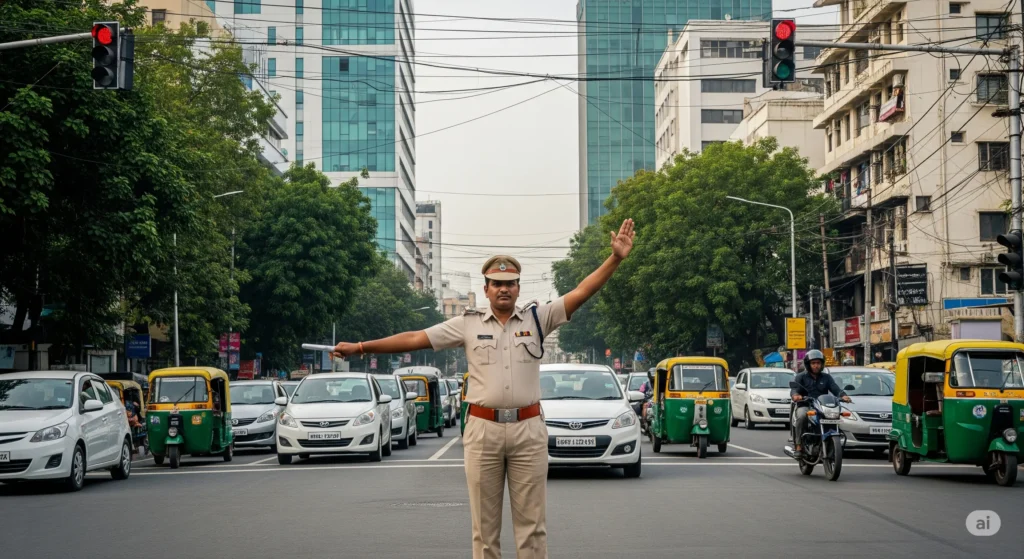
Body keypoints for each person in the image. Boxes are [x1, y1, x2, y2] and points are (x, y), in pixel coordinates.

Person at [331, 219, 635, 559]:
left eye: (510, 283)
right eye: (497, 284)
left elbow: (581, 292)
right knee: (485, 532)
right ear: (486, 288)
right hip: (482, 430)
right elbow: (416, 338)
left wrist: (615, 258)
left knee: (533, 529)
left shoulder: (539, 318)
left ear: (518, 288)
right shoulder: (467, 323)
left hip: (528, 430)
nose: (504, 289)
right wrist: (361, 347)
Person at [791, 349, 850, 458]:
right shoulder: (801, 377)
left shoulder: (826, 377)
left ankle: (830, 440)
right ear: (808, 364)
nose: (816, 366)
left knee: (834, 416)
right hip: (806, 405)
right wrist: (796, 395)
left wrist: (843, 396)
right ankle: (798, 446)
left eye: (818, 363)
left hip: (822, 406)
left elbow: (835, 388)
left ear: (822, 364)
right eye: (813, 363)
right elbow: (795, 389)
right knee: (802, 416)